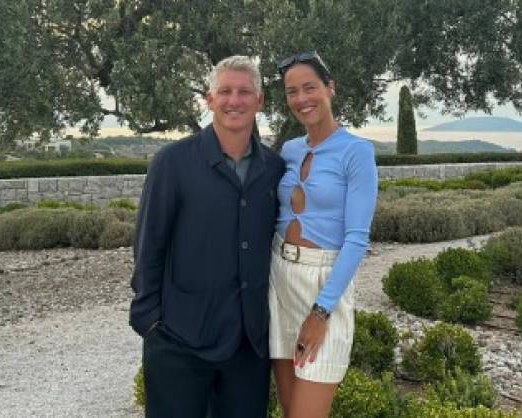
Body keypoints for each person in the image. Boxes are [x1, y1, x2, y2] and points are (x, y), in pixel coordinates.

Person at [129, 55, 285, 418]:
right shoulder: (172, 163)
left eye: (245, 92)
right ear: (209, 99)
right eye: (225, 91)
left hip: (248, 346)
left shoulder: (274, 169)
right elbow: (149, 244)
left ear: (260, 101)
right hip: (179, 339)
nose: (235, 100)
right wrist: (150, 321)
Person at [268, 51, 378, 418]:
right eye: (292, 92)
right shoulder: (290, 150)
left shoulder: (356, 152)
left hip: (323, 284)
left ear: (330, 88)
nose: (301, 98)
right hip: (278, 278)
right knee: (289, 410)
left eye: (310, 87)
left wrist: (321, 312)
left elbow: (357, 239)